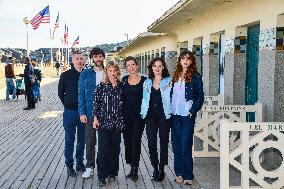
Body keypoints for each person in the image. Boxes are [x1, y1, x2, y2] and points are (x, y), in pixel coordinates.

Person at [171, 50, 204, 185]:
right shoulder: (175, 75)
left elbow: (200, 96)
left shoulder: (195, 76)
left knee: (186, 145)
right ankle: (179, 173)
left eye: (188, 58)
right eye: (183, 58)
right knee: (176, 145)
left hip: (186, 116)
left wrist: (192, 110)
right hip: (174, 115)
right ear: (179, 60)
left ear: (191, 61)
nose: (185, 61)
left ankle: (188, 175)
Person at [93, 61, 124, 186]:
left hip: (117, 124)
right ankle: (101, 176)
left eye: (114, 70)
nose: (112, 73)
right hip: (103, 124)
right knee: (103, 150)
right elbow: (96, 104)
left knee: (115, 150)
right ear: (106, 71)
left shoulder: (122, 86)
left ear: (117, 71)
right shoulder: (101, 86)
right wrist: (95, 119)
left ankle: (113, 173)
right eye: (110, 70)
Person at [140, 57, 172, 182]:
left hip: (165, 116)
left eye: (159, 66)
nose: (157, 68)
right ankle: (155, 167)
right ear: (151, 68)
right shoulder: (147, 82)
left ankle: (162, 168)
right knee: (151, 142)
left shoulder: (169, 81)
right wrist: (143, 113)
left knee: (164, 142)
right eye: (154, 66)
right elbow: (144, 99)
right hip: (150, 116)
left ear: (163, 67)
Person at [58, 50, 86, 177]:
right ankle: (69, 165)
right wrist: (68, 104)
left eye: (81, 58)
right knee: (69, 139)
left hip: (84, 113)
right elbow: (60, 93)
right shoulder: (65, 75)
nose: (79, 61)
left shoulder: (87, 75)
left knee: (82, 139)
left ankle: (80, 163)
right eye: (77, 59)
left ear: (84, 60)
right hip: (70, 113)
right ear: (73, 60)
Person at [78, 48, 105, 179]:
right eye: (95, 57)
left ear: (103, 58)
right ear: (92, 58)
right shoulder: (85, 74)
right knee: (90, 141)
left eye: (100, 56)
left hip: (106, 113)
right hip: (89, 113)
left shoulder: (108, 72)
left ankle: (103, 167)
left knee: (104, 142)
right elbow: (81, 94)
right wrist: (81, 112)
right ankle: (89, 167)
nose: (98, 59)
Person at [121, 56, 146, 181]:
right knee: (127, 142)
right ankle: (131, 167)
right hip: (125, 117)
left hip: (139, 117)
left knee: (135, 141)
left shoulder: (145, 81)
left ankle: (135, 168)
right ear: (126, 68)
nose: (131, 67)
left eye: (132, 64)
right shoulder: (124, 80)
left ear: (137, 66)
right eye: (128, 65)